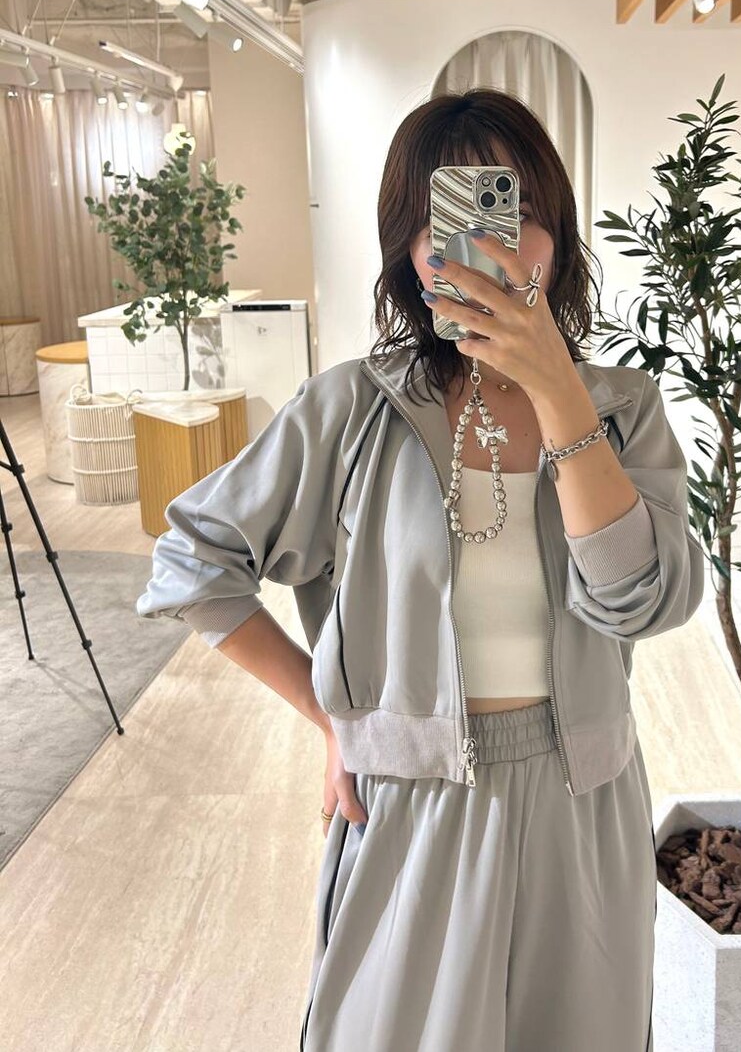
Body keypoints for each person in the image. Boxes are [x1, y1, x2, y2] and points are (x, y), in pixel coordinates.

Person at [136, 87, 705, 1052]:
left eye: (516, 209)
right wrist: (333, 717)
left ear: (557, 235)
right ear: (410, 247)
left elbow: (643, 599)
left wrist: (559, 394)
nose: (490, 243)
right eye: (454, 216)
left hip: (585, 804)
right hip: (411, 805)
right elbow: (194, 560)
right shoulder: (351, 411)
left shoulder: (621, 408)